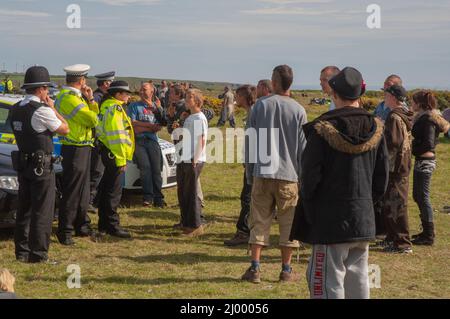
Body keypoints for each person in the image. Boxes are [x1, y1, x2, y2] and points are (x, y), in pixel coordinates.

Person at [290, 67, 389, 299]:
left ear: (334, 94)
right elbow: (382, 178)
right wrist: (365, 204)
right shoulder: (376, 127)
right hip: (362, 217)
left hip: (329, 220)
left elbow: (309, 177)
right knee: (358, 278)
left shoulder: (322, 129)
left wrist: (312, 210)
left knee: (327, 281)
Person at [241, 65, 307, 283]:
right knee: (289, 223)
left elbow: (250, 142)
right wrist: (301, 177)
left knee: (258, 220)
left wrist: (250, 172)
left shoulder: (260, 106)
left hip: (263, 172)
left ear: (276, 82)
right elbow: (302, 149)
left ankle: (255, 268)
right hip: (289, 175)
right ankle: (286, 270)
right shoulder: (298, 110)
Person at [10, 66, 69, 263]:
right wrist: (53, 107)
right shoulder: (42, 111)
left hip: (24, 163)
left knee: (24, 209)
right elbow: (65, 129)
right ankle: (38, 254)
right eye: (46, 88)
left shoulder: (16, 108)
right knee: (42, 210)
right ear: (41, 89)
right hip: (41, 166)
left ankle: (22, 252)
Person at [55, 64, 98, 245]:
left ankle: (81, 225)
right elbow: (92, 119)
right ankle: (65, 231)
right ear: (81, 81)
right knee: (72, 191)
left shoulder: (73, 96)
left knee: (82, 190)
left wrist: (89, 101)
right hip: (74, 147)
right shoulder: (69, 98)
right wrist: (91, 102)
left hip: (81, 146)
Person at [410, 91, 450, 245]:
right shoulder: (424, 117)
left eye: (413, 101)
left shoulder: (427, 119)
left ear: (419, 103)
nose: (411, 104)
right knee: (418, 195)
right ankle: (426, 231)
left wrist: (411, 148)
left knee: (422, 196)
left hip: (425, 161)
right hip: (423, 160)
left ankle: (429, 234)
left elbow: (428, 143)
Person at [96, 81, 134, 238]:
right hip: (115, 155)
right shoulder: (115, 108)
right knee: (114, 192)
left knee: (106, 189)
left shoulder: (106, 105)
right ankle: (112, 225)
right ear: (118, 94)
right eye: (126, 93)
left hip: (107, 152)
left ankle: (104, 223)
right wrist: (121, 159)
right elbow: (117, 136)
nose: (128, 96)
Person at [381, 85, 414, 253]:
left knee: (396, 205)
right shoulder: (404, 114)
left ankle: (403, 244)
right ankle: (395, 239)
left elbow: (392, 143)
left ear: (393, 97)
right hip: (403, 165)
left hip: (396, 167)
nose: (384, 97)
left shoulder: (394, 116)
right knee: (394, 203)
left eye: (386, 94)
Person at [224, 85, 257, 246]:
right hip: (252, 162)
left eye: (237, 95)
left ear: (244, 97)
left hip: (255, 164)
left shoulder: (254, 113)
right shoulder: (252, 112)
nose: (235, 98)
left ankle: (244, 232)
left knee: (247, 198)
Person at [128, 82, 167, 208]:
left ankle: (158, 198)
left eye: (144, 89)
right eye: (140, 89)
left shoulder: (156, 107)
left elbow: (160, 125)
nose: (141, 92)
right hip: (139, 141)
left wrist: (143, 126)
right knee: (145, 168)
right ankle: (147, 197)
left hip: (152, 141)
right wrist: (150, 127)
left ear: (151, 91)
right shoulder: (133, 106)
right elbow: (133, 124)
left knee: (156, 169)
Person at [175, 88, 208, 237]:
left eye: (189, 98)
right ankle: (185, 222)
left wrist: (195, 158)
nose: (186, 100)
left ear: (196, 100)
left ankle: (195, 226)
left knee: (191, 193)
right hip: (184, 158)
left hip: (193, 159)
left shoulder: (200, 118)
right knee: (183, 192)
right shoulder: (190, 117)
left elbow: (201, 139)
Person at [88, 71, 116, 213]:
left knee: (101, 171)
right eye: (110, 82)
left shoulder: (102, 97)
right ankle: (89, 201)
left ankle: (95, 199)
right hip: (97, 141)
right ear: (105, 83)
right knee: (96, 172)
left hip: (102, 140)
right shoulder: (97, 98)